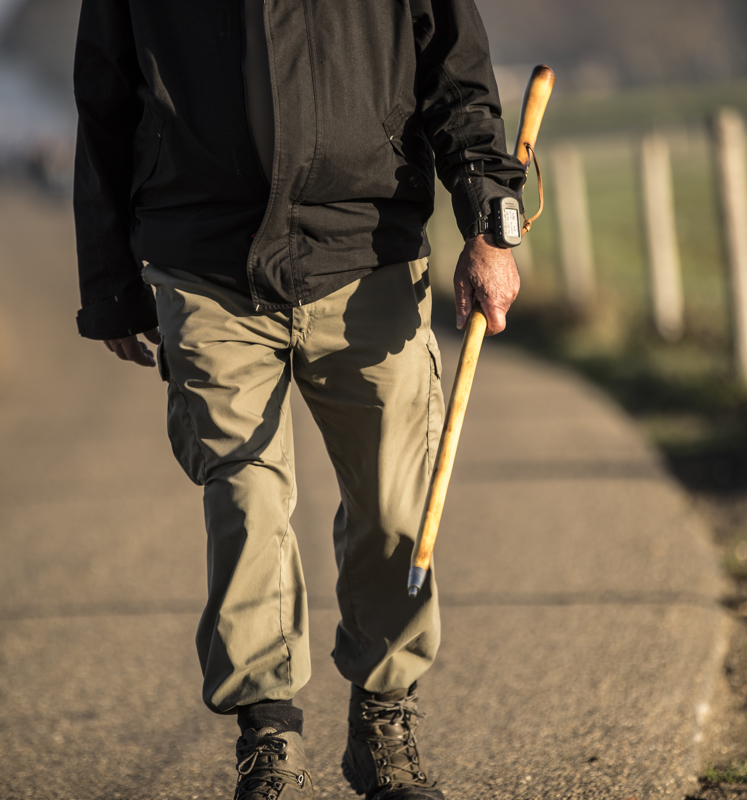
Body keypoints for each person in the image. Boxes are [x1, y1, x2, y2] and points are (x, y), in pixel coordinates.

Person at [73, 1, 525, 798]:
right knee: (245, 500)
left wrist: (489, 222)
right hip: (204, 262)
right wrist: (110, 284)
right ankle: (268, 737)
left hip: (368, 253)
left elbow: (457, 74)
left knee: (395, 504)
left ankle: (384, 719)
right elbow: (105, 100)